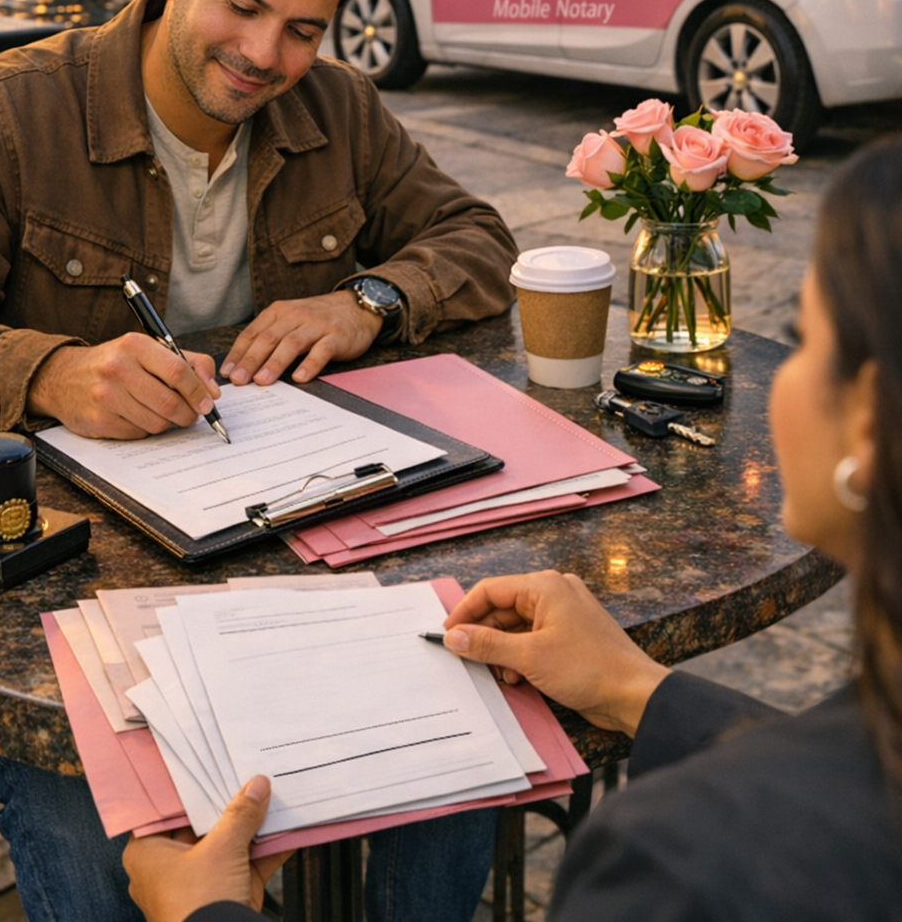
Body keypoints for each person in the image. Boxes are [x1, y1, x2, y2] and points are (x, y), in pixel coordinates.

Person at [0, 0, 516, 922]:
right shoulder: (0, 112)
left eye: (304, 30)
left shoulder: (344, 112)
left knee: (463, 748)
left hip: (311, 563)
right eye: (243, 6)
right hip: (65, 600)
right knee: (94, 844)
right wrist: (53, 370)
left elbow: (474, 239)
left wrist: (365, 302)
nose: (266, 55)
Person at [122, 136, 902, 922]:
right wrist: (638, 689)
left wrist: (204, 918)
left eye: (805, 340)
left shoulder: (675, 864)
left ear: (865, 419)